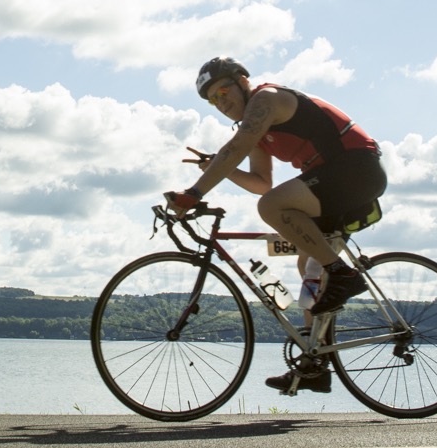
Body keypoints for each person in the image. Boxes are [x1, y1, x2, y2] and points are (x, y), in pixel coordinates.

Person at [164, 56, 387, 395]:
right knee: (309, 265)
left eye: (223, 91)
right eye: (212, 100)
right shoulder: (254, 128)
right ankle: (315, 364)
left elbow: (238, 148)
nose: (221, 102)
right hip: (333, 178)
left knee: (271, 207)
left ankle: (344, 275)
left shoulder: (265, 100)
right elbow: (260, 181)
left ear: (243, 81)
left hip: (355, 168)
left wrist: (194, 193)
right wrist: (218, 169)